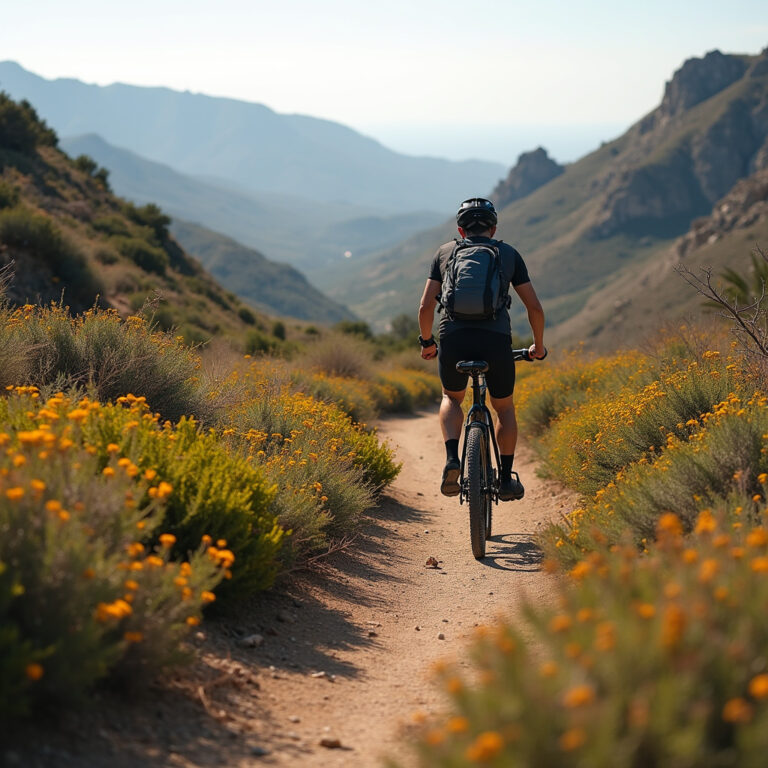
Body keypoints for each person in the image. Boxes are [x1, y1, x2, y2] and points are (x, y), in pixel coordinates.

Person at [417, 197, 545, 501]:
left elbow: (424, 307)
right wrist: (538, 347)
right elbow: (535, 308)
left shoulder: (445, 253)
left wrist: (427, 343)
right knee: (504, 407)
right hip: (495, 339)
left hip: (453, 338)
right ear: (494, 228)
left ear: (461, 231)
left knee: (452, 397)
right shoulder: (509, 253)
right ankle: (504, 478)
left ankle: (452, 458)